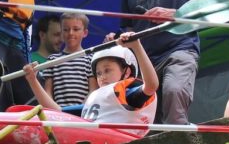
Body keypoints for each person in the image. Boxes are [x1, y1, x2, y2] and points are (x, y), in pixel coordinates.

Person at [113, 0, 206, 124]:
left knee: (174, 92)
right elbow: (127, 27)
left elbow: (205, 11)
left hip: (180, 49)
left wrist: (175, 14)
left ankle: (181, 141)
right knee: (150, 119)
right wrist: (121, 39)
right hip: (146, 62)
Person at [22, 33, 159, 129]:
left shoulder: (129, 94)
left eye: (107, 70)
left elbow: (151, 85)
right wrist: (32, 80)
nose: (102, 77)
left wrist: (136, 46)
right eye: (98, 73)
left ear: (127, 72)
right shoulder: (96, 101)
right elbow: (56, 110)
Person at [40, 12, 98, 107]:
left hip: (83, 111)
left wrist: (80, 109)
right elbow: (48, 93)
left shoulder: (91, 58)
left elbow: (93, 90)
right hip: (59, 112)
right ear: (61, 32)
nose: (71, 33)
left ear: (85, 33)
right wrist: (55, 110)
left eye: (76, 29)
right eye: (66, 29)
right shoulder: (52, 60)